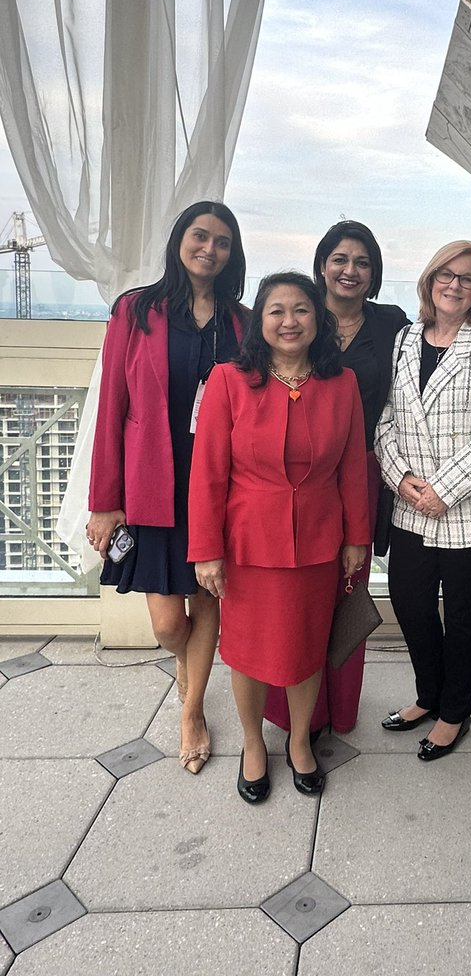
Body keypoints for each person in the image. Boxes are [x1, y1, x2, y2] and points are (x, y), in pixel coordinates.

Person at [189, 272, 368, 803]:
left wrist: (356, 537)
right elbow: (207, 473)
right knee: (244, 651)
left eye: (301, 310)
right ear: (259, 322)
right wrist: (206, 550)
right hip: (246, 544)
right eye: (276, 311)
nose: (289, 321)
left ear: (319, 318)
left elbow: (353, 467)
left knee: (306, 648)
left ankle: (299, 744)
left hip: (319, 541)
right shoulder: (226, 380)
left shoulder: (343, 384)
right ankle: (250, 744)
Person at [86, 201, 247, 775]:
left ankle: (193, 710)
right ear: (179, 239)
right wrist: (105, 501)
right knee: (167, 624)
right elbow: (112, 408)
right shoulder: (136, 310)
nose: (210, 248)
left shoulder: (240, 321)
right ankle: (188, 665)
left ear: (233, 254)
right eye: (200, 236)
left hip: (217, 485)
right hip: (151, 480)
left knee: (207, 596)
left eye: (222, 241)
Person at [263, 221, 409, 740]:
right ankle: (291, 707)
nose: (351, 270)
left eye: (363, 262)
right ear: (322, 263)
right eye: (341, 259)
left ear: (374, 274)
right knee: (292, 595)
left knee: (346, 587)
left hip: (360, 472)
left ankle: (337, 708)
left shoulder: (392, 323)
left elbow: (447, 335)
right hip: (292, 472)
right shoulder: (298, 317)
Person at [375, 241, 471, 760]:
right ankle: (427, 694)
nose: (454, 285)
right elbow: (386, 418)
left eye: (468, 278)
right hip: (411, 503)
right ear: (429, 279)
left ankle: (454, 711)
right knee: (410, 605)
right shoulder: (405, 338)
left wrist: (445, 489)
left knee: (463, 616)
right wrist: (403, 477)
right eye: (446, 275)